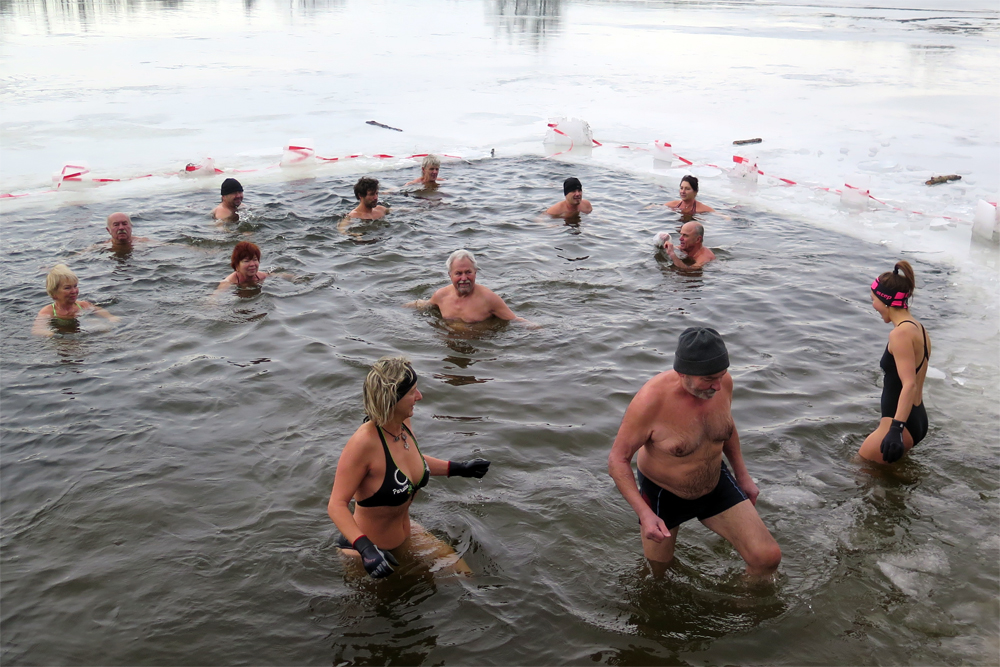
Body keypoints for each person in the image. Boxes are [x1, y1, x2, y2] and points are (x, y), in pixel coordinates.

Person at [608, 327, 781, 577]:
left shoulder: (722, 384)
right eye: (709, 378)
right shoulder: (651, 400)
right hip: (663, 494)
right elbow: (617, 460)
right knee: (657, 574)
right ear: (683, 373)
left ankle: (745, 608)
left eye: (722, 375)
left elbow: (726, 428)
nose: (718, 386)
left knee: (767, 558)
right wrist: (644, 514)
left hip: (714, 481)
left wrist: (742, 475)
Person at [327, 356, 491, 578]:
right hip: (368, 553)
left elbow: (408, 461)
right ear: (392, 399)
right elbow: (336, 504)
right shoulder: (363, 443)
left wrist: (460, 468)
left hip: (409, 534)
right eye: (412, 392)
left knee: (464, 577)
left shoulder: (402, 423)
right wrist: (366, 549)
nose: (419, 396)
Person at [859, 261, 931, 464]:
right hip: (917, 419)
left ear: (885, 301)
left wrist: (895, 429)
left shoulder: (899, 334)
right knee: (887, 481)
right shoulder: (919, 328)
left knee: (858, 473)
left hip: (899, 423)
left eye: (873, 300)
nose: (873, 306)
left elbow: (909, 383)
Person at [406, 249, 533, 325]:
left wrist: (540, 331)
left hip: (478, 346)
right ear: (450, 275)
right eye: (458, 273)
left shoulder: (489, 299)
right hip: (448, 342)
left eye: (468, 272)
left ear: (475, 272)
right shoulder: (441, 296)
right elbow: (426, 305)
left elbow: (515, 320)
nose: (464, 278)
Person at [32, 264, 119, 337]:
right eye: (67, 288)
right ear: (54, 294)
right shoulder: (48, 311)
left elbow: (98, 309)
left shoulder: (82, 305)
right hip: (61, 332)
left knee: (99, 324)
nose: (74, 291)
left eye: (75, 286)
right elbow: (37, 330)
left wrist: (110, 317)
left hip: (81, 328)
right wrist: (50, 334)